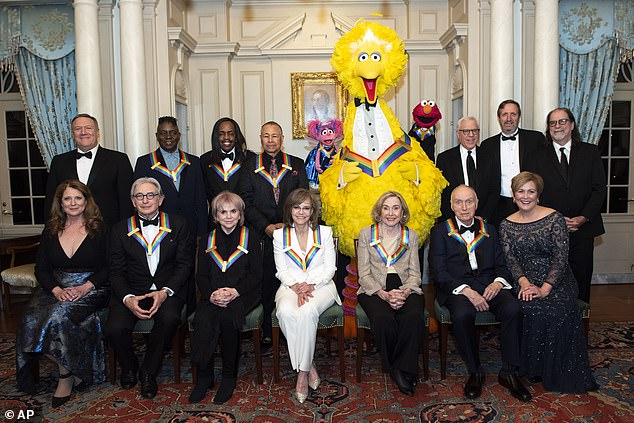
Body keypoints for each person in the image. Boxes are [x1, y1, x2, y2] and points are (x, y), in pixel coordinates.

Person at [429, 185, 531, 402]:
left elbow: (503, 266)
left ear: (476, 204)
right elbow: (438, 271)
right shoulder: (439, 231)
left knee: (513, 308)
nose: (464, 207)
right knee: (463, 314)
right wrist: (467, 291)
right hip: (457, 288)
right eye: (459, 202)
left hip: (489, 285)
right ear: (451, 205)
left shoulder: (490, 229)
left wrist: (498, 283)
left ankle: (510, 372)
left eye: (469, 202)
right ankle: (475, 371)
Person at [499, 171, 598, 393]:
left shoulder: (554, 219)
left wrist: (545, 289)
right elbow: (511, 261)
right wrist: (524, 284)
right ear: (513, 196)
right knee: (526, 307)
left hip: (557, 280)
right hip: (524, 279)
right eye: (521, 192)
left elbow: (561, 258)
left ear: (538, 195)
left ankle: (554, 369)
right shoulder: (505, 224)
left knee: (555, 310)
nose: (526, 196)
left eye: (531, 191)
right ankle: (532, 368)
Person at [16, 180, 110, 407]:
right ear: (60, 202)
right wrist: (56, 289)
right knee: (29, 319)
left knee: (58, 317)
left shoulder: (100, 229)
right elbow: (41, 268)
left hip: (92, 288)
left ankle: (65, 377)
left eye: (78, 198)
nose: (73, 203)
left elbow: (110, 267)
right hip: (56, 287)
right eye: (67, 198)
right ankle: (73, 367)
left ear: (86, 201)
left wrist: (85, 286)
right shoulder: (50, 230)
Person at [107, 177, 194, 399]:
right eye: (140, 196)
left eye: (151, 195)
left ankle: (148, 371)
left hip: (167, 290)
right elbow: (115, 272)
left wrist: (165, 292)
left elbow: (185, 265)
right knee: (115, 327)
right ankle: (129, 366)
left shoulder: (179, 224)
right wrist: (127, 298)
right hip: (132, 290)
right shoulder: (119, 230)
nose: (145, 200)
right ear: (133, 201)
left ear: (161, 199)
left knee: (169, 319)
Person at [238, 121, 309, 346]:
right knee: (267, 282)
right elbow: (245, 202)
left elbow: (302, 198)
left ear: (282, 138)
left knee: (294, 279)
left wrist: (288, 225)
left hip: (292, 233)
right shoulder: (249, 166)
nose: (270, 140)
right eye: (266, 136)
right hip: (263, 236)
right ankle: (269, 330)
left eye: (275, 136)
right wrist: (266, 227)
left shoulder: (296, 164)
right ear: (260, 138)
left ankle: (296, 326)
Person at [526, 108, 606, 303]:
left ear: (571, 125)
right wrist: (554, 219)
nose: (557, 126)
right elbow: (532, 193)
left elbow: (599, 189)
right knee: (551, 281)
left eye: (562, 122)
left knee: (581, 280)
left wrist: (583, 217)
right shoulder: (536, 156)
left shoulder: (590, 152)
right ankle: (554, 328)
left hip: (583, 230)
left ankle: (580, 327)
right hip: (549, 230)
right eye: (553, 123)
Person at [189, 191, 262, 404]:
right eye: (223, 212)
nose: (228, 216)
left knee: (227, 319)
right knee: (202, 318)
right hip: (213, 294)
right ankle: (204, 377)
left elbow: (257, 275)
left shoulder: (252, 237)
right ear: (215, 216)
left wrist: (235, 292)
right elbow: (200, 275)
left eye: (233, 211)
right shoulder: (206, 239)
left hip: (244, 293)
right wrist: (211, 294)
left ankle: (229, 378)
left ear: (240, 214)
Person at [273, 188, 340, 403]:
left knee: (307, 311)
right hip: (290, 286)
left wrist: (310, 284)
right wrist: (296, 287)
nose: (301, 212)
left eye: (306, 208)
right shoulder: (279, 235)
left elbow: (331, 268)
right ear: (289, 210)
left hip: (322, 286)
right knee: (284, 311)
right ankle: (309, 363)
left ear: (312, 211)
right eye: (296, 207)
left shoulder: (325, 233)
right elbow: (281, 270)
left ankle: (301, 374)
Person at [357, 191, 426, 396]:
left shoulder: (411, 235)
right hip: (374, 287)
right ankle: (401, 368)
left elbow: (415, 274)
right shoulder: (365, 234)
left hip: (405, 285)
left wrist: (404, 293)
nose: (390, 213)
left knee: (413, 317)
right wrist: (384, 295)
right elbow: (364, 274)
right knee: (382, 318)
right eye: (386, 208)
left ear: (402, 211)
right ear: (379, 211)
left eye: (396, 208)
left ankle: (399, 367)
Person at [44, 113, 134, 226]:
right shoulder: (59, 161)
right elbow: (51, 200)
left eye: (88, 128)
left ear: (97, 132)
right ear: (72, 134)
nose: (83, 132)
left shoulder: (118, 160)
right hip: (69, 229)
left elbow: (126, 201)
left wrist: (124, 232)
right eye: (78, 129)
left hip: (108, 229)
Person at [133, 116, 208, 237]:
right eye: (163, 133)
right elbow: (138, 200)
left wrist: (202, 233)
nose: (168, 137)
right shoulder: (144, 162)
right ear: (157, 136)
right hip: (159, 229)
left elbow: (200, 200)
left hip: (190, 229)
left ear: (179, 135)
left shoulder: (193, 161)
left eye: (173, 133)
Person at [480, 100, 545, 226]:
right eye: (504, 114)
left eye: (513, 114)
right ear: (499, 118)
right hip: (499, 205)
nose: (508, 118)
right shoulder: (487, 145)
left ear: (519, 117)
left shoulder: (535, 139)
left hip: (529, 202)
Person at [436, 116, 499, 222]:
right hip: (453, 221)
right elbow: (442, 194)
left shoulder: (490, 157)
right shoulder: (444, 159)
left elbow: (494, 190)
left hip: (483, 220)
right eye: (466, 131)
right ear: (458, 134)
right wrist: (455, 219)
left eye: (475, 131)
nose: (471, 135)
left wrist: (483, 217)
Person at [200, 118, 255, 228]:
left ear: (236, 136)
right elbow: (202, 195)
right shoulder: (205, 160)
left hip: (244, 222)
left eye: (231, 134)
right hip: (215, 223)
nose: (226, 137)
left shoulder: (250, 159)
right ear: (216, 137)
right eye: (221, 134)